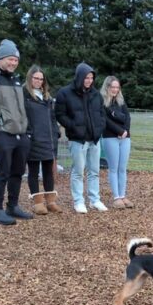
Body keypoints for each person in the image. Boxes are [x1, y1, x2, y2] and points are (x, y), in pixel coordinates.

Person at [0, 39, 33, 225]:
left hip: (21, 134)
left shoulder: (15, 79)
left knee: (17, 172)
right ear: (0, 58)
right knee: (2, 173)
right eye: (10, 59)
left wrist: (27, 132)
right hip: (4, 134)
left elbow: (22, 107)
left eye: (16, 60)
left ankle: (13, 205)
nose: (13, 63)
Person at [55, 62, 106, 213]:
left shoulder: (96, 94)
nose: (89, 81)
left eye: (91, 78)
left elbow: (102, 114)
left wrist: (99, 128)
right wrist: (73, 127)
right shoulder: (65, 93)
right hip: (77, 140)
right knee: (78, 171)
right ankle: (78, 201)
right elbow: (60, 114)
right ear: (79, 77)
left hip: (94, 139)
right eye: (86, 77)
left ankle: (94, 200)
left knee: (94, 171)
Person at [23, 65, 62, 215]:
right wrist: (28, 133)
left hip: (48, 138)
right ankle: (38, 203)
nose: (39, 81)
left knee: (48, 171)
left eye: (41, 79)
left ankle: (51, 201)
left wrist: (56, 132)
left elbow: (53, 117)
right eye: (36, 78)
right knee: (33, 171)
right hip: (33, 139)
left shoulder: (47, 97)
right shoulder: (24, 95)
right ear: (30, 78)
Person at [100, 76, 133, 209]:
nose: (115, 90)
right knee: (113, 168)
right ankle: (116, 197)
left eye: (117, 87)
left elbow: (127, 117)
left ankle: (123, 195)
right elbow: (106, 121)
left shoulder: (121, 101)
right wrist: (119, 131)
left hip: (125, 138)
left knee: (122, 168)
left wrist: (125, 131)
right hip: (110, 137)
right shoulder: (102, 102)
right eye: (112, 87)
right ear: (107, 87)